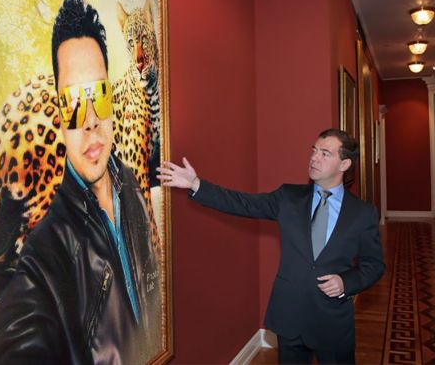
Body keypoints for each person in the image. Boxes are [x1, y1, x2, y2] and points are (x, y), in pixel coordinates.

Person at [0, 0, 161, 364]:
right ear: (60, 116)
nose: (91, 119)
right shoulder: (41, 264)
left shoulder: (129, 186)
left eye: (99, 95)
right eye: (74, 102)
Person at [158, 129, 385, 364]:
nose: (314, 158)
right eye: (314, 151)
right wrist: (196, 184)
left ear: (344, 164)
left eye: (325, 154)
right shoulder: (288, 197)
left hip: (332, 321)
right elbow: (242, 203)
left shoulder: (362, 213)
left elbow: (374, 265)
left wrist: (346, 282)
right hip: (289, 316)